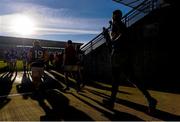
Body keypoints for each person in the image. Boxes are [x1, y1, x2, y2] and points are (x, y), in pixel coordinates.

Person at [102, 9, 157, 113]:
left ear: (116, 17)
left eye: (115, 16)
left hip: (119, 57)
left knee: (118, 80)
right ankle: (150, 99)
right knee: (129, 79)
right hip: (121, 56)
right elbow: (111, 43)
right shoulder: (118, 26)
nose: (114, 18)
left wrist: (110, 39)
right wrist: (106, 36)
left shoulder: (119, 25)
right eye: (114, 17)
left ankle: (112, 102)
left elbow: (116, 41)